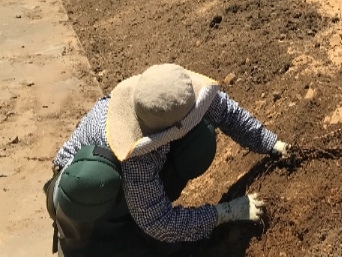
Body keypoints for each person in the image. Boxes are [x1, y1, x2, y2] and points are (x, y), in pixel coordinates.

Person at [44, 63, 291, 255]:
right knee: (95, 179)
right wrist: (225, 212)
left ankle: (138, 228)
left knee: (199, 141)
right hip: (81, 196)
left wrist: (272, 143)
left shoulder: (174, 95)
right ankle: (89, 247)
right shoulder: (134, 156)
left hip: (134, 189)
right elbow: (160, 222)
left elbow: (227, 113)